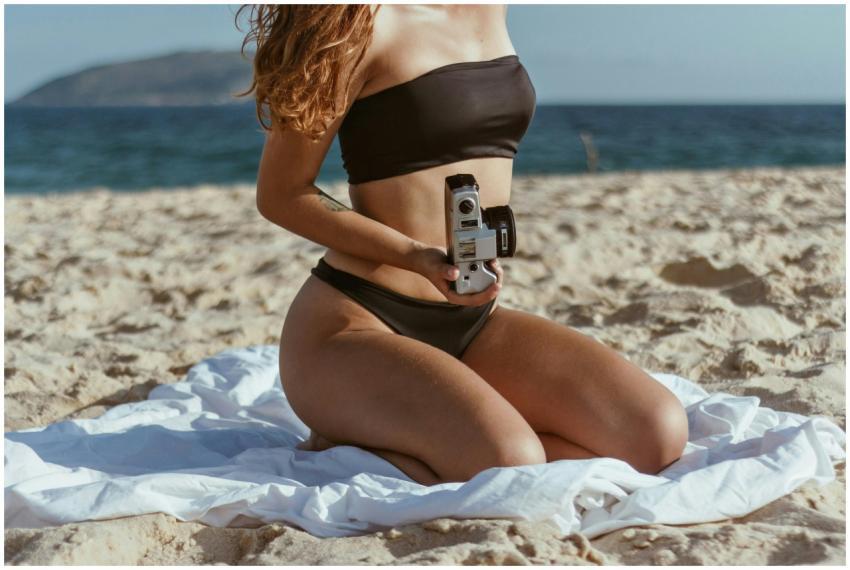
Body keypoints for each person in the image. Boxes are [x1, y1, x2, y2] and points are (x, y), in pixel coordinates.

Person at [236, 4, 688, 486]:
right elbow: (282, 195)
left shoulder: (491, 8)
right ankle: (351, 439)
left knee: (655, 435)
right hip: (357, 324)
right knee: (510, 465)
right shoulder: (353, 20)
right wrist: (415, 256)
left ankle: (436, 435)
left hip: (472, 320)